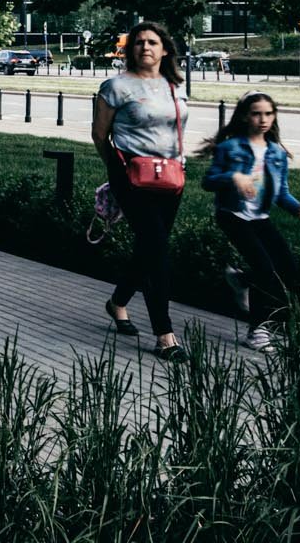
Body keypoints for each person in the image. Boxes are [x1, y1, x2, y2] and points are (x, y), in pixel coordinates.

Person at [92, 21, 189, 354]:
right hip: (132, 176)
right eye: (138, 43)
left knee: (149, 248)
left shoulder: (174, 85)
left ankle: (118, 302)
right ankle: (165, 335)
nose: (145, 47)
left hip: (171, 176)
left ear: (164, 49)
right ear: (130, 49)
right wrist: (117, 172)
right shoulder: (115, 87)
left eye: (152, 42)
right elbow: (99, 135)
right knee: (158, 249)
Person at [202, 92, 300, 346]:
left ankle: (243, 280)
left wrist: (296, 208)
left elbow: (281, 192)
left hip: (259, 217)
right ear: (244, 116)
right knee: (265, 269)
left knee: (291, 271)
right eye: (256, 113)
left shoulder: (276, 153)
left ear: (274, 117)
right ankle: (257, 331)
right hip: (232, 214)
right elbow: (208, 181)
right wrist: (234, 177)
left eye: (268, 113)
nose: (263, 119)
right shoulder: (230, 147)